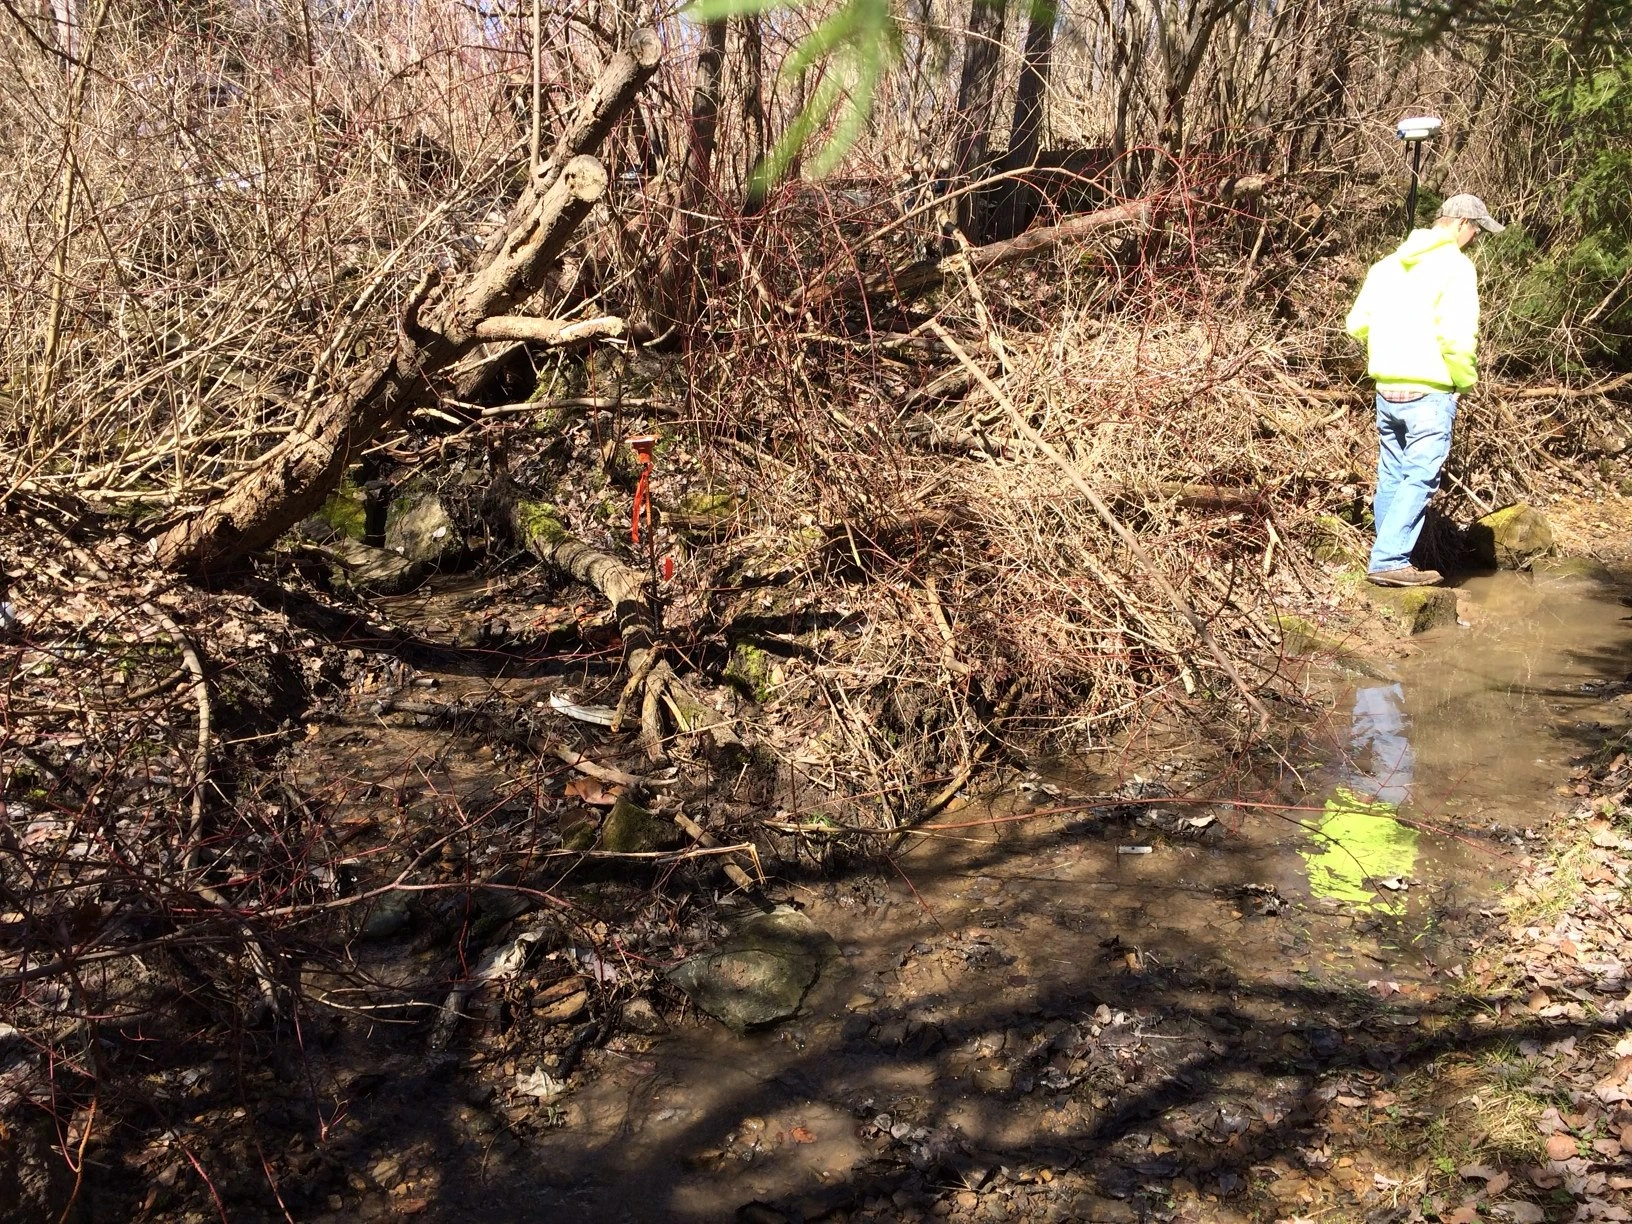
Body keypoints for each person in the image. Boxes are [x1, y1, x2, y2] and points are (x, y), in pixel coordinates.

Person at [1345, 194, 1505, 587]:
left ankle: (1389, 556)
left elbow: (1357, 324)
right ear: (1461, 224)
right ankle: (1388, 560)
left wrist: (1398, 324)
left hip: (1388, 388)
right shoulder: (1456, 267)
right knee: (1419, 477)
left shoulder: (1387, 265)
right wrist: (1464, 380)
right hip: (1429, 390)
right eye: (1475, 231)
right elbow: (1457, 336)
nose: (1474, 239)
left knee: (1393, 477)